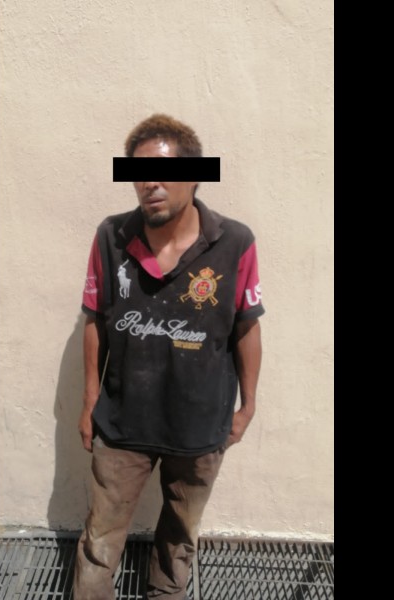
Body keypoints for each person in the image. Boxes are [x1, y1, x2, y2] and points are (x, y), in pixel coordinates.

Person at [74, 114, 264, 600]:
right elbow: (94, 319)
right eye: (138, 174)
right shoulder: (111, 236)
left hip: (200, 427)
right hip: (122, 424)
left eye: (162, 172)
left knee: (179, 540)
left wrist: (247, 407)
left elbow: (247, 325)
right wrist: (90, 400)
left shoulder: (235, 243)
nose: (148, 184)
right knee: (99, 541)